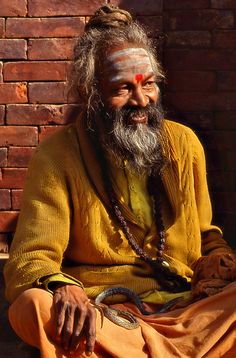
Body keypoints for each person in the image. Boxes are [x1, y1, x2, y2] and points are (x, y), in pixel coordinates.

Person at [4, 5, 236, 358]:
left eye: (150, 84)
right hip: (106, 316)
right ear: (92, 93)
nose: (142, 101)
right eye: (123, 89)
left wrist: (221, 265)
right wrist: (62, 287)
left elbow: (206, 237)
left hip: (187, 308)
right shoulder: (57, 155)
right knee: (35, 307)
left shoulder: (184, 144)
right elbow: (31, 257)